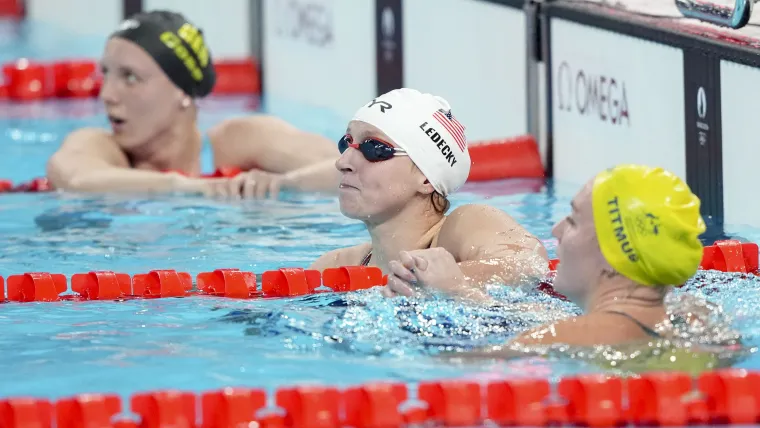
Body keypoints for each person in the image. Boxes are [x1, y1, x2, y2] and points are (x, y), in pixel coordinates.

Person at [46, 10, 340, 199]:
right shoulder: (100, 147)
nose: (107, 94)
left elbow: (351, 168)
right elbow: (72, 177)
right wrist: (184, 187)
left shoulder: (240, 141)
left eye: (131, 77)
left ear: (182, 90)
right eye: (106, 74)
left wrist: (283, 185)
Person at [309, 88, 550, 301]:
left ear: (426, 178)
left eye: (374, 148)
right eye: (346, 142)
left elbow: (528, 262)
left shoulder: (464, 226)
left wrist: (451, 282)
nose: (343, 162)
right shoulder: (334, 266)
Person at [458, 164, 716, 355]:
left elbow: (458, 367)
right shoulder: (697, 325)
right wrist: (469, 295)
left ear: (610, 258)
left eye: (573, 221)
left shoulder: (549, 340)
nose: (556, 230)